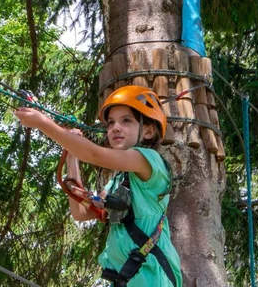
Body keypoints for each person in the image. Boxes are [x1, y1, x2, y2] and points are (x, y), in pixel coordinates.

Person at [14, 85, 182, 286]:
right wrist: (72, 157)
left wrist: (43, 123)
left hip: (154, 279)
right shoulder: (119, 181)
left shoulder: (149, 161)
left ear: (148, 131)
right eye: (111, 123)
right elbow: (80, 212)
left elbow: (94, 154)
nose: (115, 128)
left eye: (126, 120)